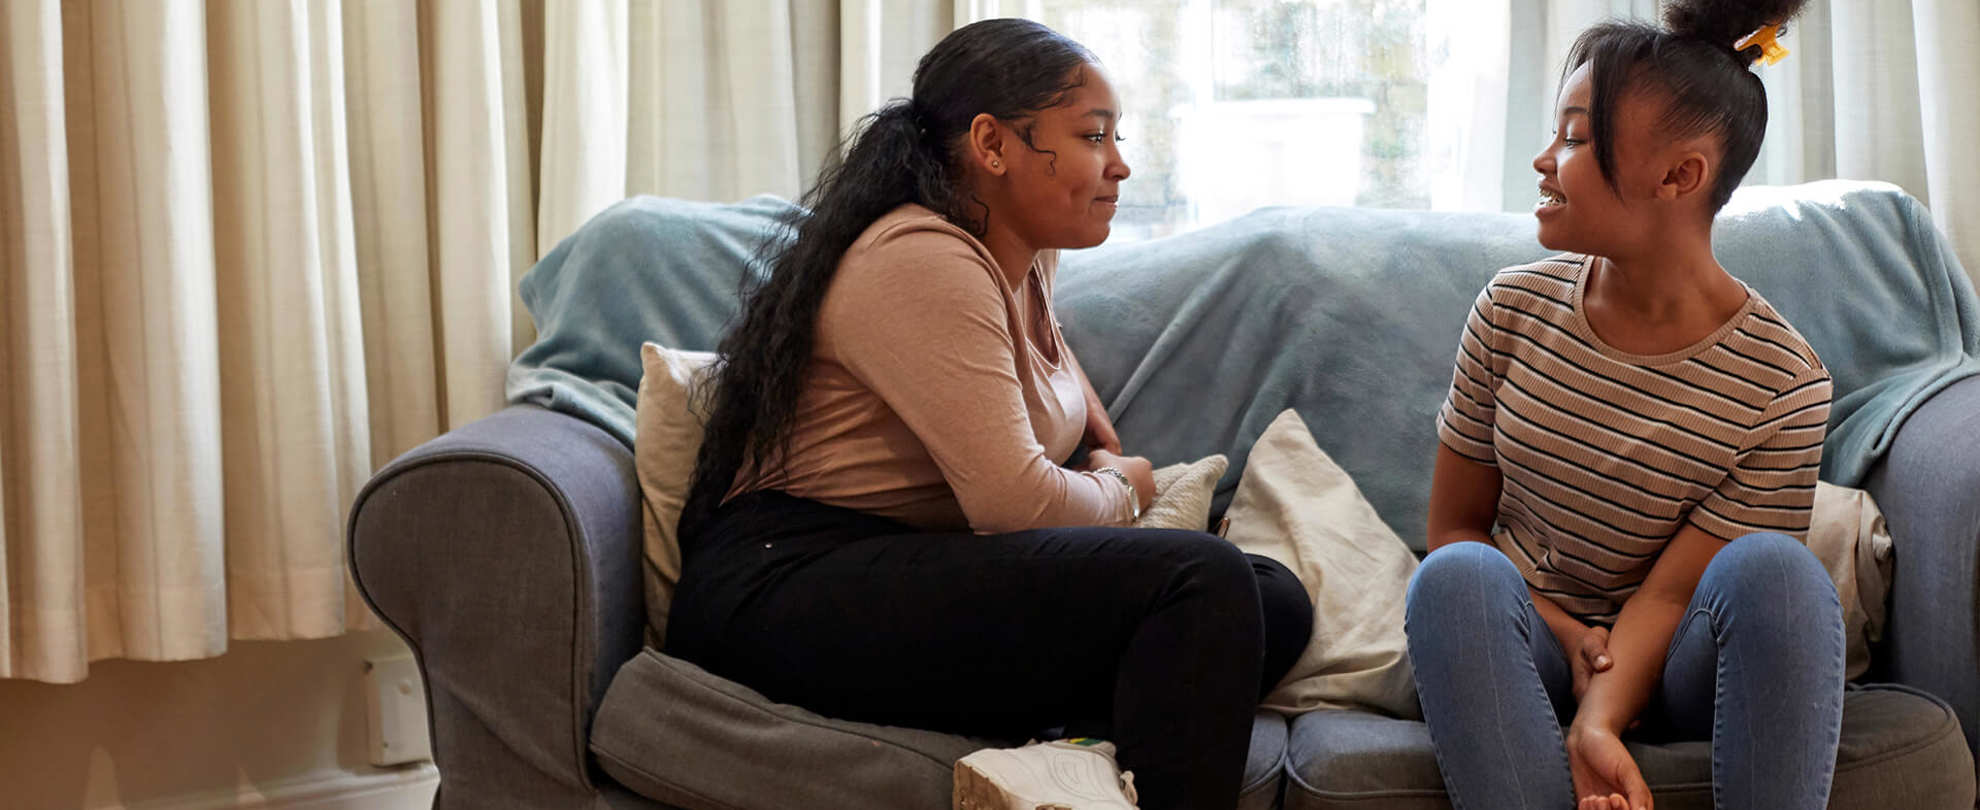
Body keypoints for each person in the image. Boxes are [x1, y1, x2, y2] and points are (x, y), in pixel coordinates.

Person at [666, 18, 1312, 810]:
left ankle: (1066, 749)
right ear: (993, 144)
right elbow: (1016, 506)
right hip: (785, 580)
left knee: (1270, 598)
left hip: (899, 565)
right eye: (1092, 135)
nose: (1120, 164)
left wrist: (1096, 444)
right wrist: (1129, 489)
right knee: (1201, 579)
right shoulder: (921, 257)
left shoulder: (1025, 255)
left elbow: (1044, 384)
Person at [1404, 2, 1843, 809]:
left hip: (1676, 657)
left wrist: (1598, 720)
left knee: (1777, 571)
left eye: (1573, 137)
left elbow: (1675, 594)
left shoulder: (1783, 382)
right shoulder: (1511, 309)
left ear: (1679, 176)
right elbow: (1454, 529)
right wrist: (1569, 636)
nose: (1544, 159)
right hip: (1526, 642)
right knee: (1455, 575)